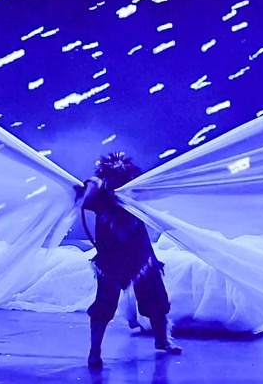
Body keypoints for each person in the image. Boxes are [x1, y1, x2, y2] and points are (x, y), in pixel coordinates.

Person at [75, 152, 181, 368]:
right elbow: (84, 199)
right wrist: (91, 185)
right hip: (110, 260)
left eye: (120, 177)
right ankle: (94, 351)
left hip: (141, 258)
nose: (116, 181)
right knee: (104, 305)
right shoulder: (99, 198)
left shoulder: (133, 196)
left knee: (156, 301)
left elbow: (154, 193)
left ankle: (162, 340)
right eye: (111, 176)